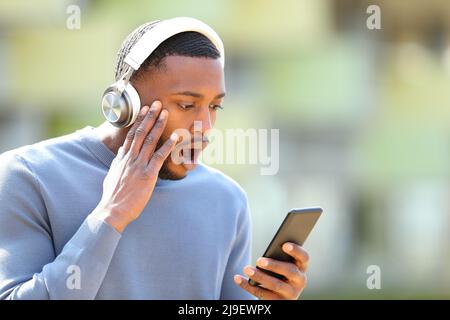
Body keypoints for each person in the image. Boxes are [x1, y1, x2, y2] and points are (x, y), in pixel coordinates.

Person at [0, 17, 309, 300]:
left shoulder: (226, 199)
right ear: (124, 104)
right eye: (187, 105)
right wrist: (112, 215)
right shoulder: (28, 175)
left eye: (215, 107)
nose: (205, 127)